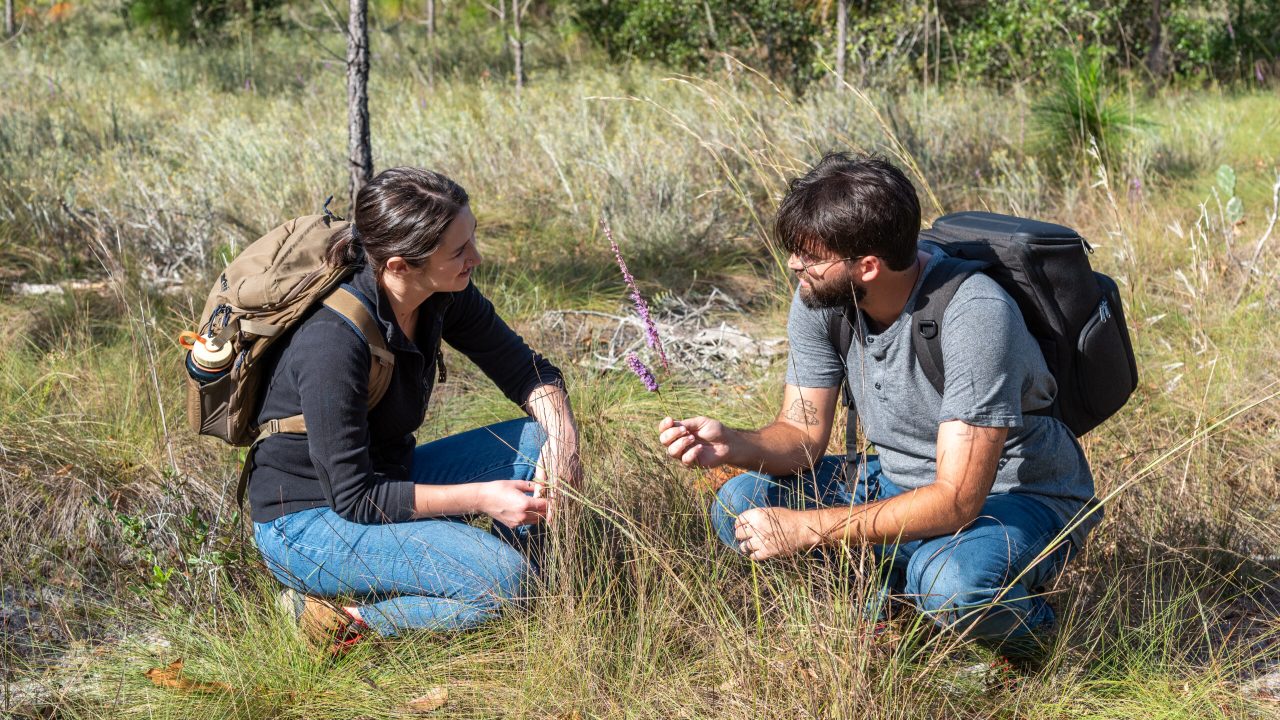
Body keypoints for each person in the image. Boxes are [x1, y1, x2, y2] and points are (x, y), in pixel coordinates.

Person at [657, 153, 1099, 652]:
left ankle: (1039, 642)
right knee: (741, 502)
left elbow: (957, 500)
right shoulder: (822, 299)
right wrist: (731, 444)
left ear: (867, 266)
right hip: (900, 479)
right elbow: (801, 435)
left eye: (809, 255)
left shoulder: (974, 313)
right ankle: (891, 609)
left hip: (1016, 494)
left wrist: (809, 529)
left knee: (951, 585)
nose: (794, 265)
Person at [248, 167, 580, 647]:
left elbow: (526, 369)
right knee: (507, 585)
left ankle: (513, 584)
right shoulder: (332, 343)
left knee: (542, 438)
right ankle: (340, 618)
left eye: (472, 240)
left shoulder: (441, 297)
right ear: (400, 266)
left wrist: (564, 440)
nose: (476, 258)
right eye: (459, 251)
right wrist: (484, 498)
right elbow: (356, 498)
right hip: (306, 522)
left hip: (390, 480)